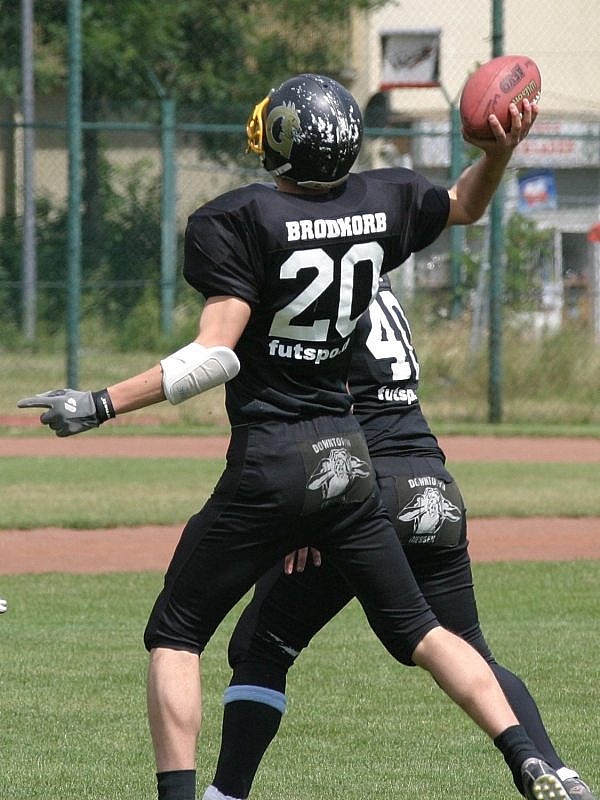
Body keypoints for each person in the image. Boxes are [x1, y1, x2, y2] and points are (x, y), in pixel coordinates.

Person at [17, 74, 568, 800]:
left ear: (281, 143)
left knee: (177, 633)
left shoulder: (236, 219)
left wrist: (99, 403)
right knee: (429, 634)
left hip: (274, 457)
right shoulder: (386, 200)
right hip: (350, 459)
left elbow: (215, 356)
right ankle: (530, 758)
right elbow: (464, 204)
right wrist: (498, 153)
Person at [202, 275, 597, 800]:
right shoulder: (372, 277)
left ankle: (224, 794)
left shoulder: (326, 281)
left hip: (364, 482)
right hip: (432, 479)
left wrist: (308, 507)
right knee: (469, 652)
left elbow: (327, 403)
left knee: (261, 646)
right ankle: (559, 774)